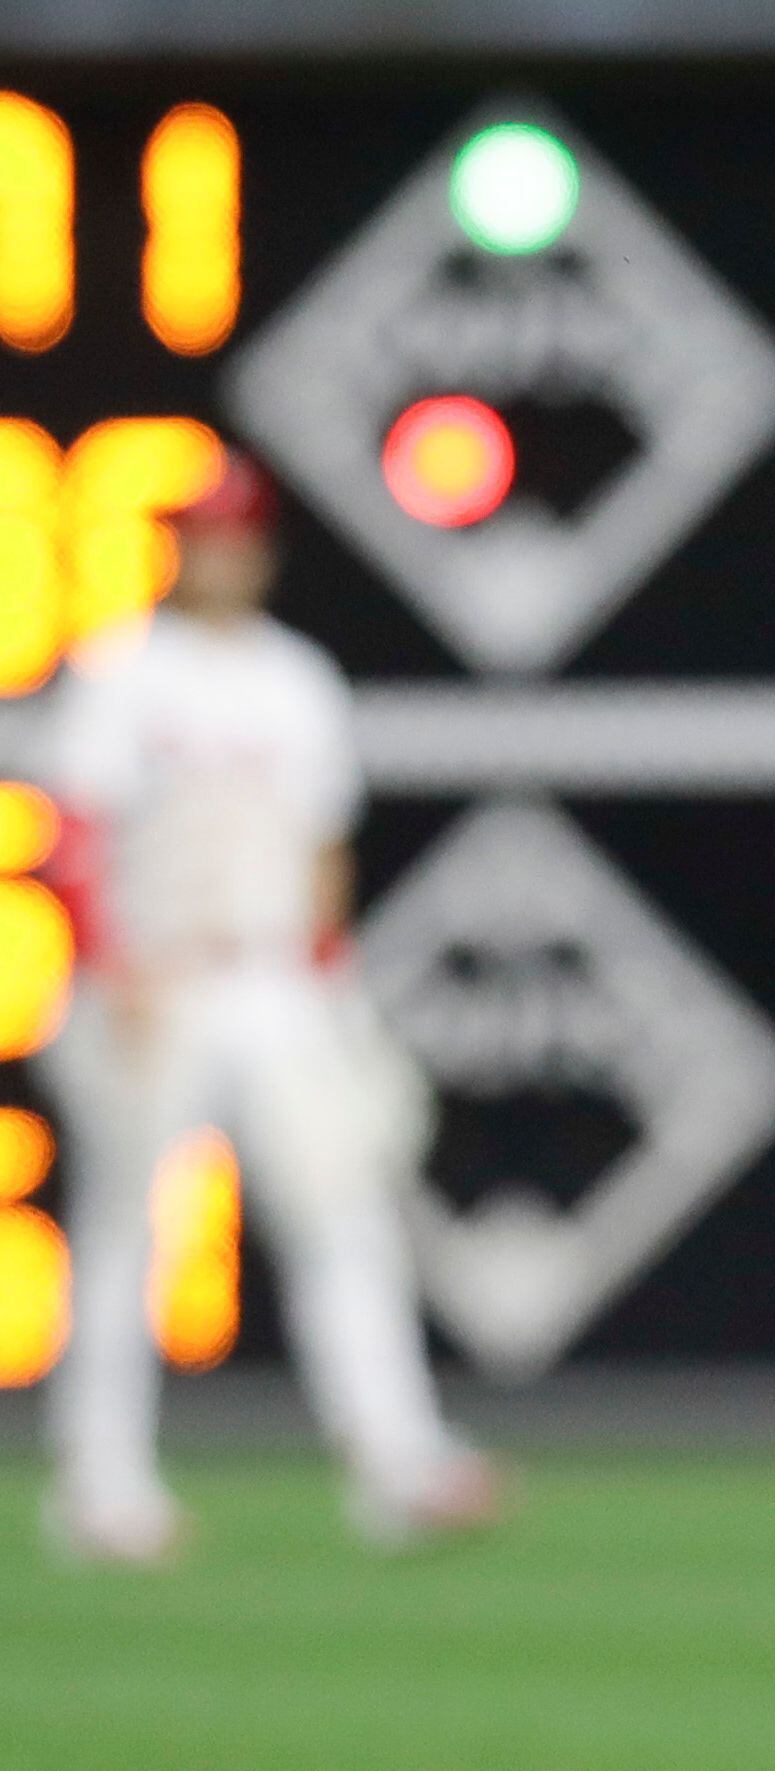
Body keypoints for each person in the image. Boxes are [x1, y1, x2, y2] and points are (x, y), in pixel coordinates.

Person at [35, 450, 501, 1564]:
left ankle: (399, 1463)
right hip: (156, 977)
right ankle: (101, 1488)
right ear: (176, 548)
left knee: (343, 1216)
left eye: (236, 537)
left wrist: (330, 989)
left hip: (277, 979)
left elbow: (323, 847)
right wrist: (113, 969)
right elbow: (76, 837)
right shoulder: (123, 671)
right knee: (124, 1234)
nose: (220, 554)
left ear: (261, 551)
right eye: (202, 535)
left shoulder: (296, 679)